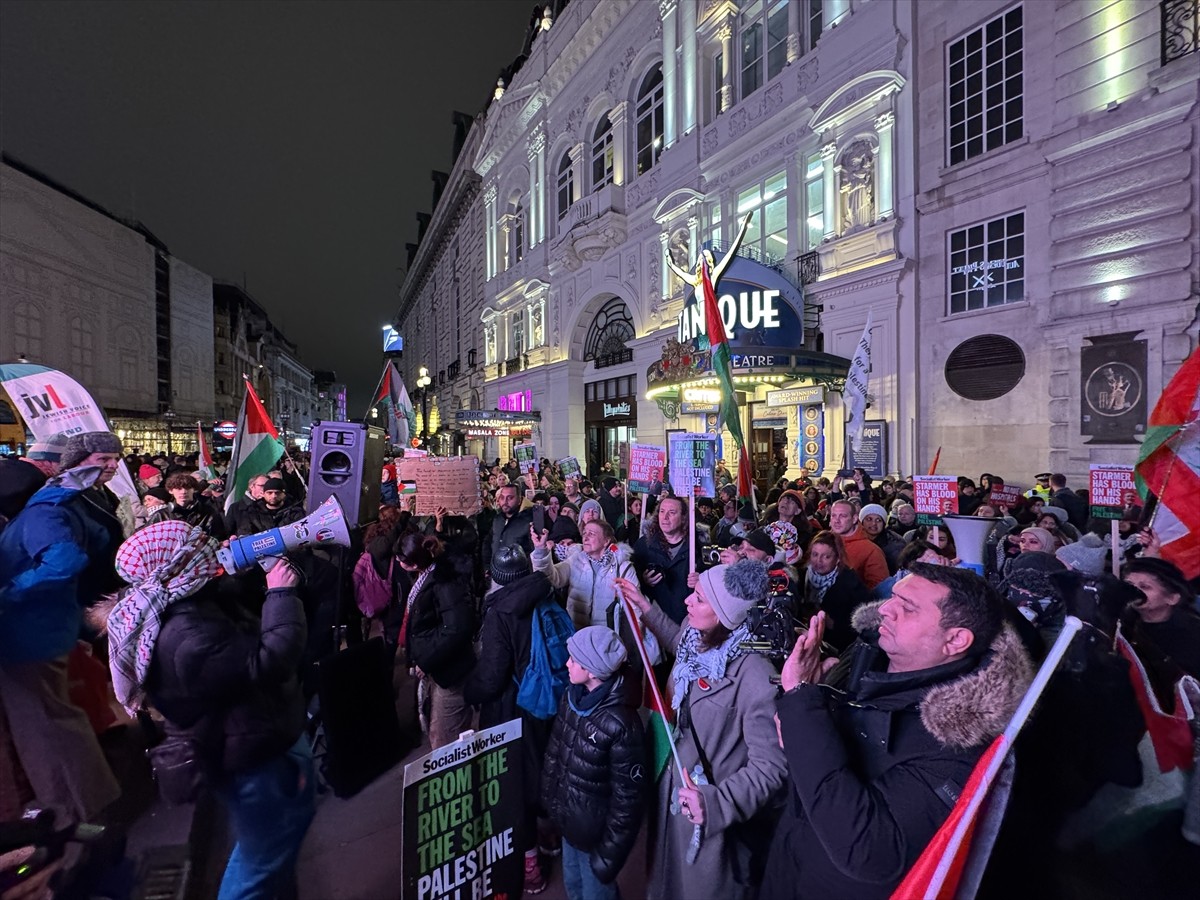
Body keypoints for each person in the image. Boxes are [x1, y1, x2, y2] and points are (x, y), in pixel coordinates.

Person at [761, 564, 1033, 899]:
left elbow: (867, 849)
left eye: (907, 607)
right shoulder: (867, 663)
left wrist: (801, 702)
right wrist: (808, 714)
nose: (885, 609)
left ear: (955, 639)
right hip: (791, 869)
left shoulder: (959, 739)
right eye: (893, 598)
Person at [110, 520, 314, 899]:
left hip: (253, 740)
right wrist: (282, 594)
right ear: (178, 565)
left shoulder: (179, 605)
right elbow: (268, 661)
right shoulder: (187, 636)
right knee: (260, 864)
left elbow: (231, 623)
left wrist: (249, 573)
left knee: (269, 854)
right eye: (198, 545)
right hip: (254, 757)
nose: (210, 545)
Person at [617, 560, 787, 900]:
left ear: (724, 614)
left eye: (699, 597)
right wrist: (643, 605)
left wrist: (716, 803)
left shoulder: (754, 675)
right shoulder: (696, 638)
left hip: (708, 815)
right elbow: (676, 638)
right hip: (673, 794)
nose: (687, 601)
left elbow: (771, 767)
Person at [0, 432, 126, 824]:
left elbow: (65, 560)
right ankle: (91, 801)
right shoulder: (62, 503)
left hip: (29, 635)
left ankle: (75, 814)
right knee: (56, 720)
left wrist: (9, 592)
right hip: (44, 629)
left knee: (45, 727)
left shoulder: (45, 511)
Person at [462, 546, 558, 894]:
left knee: (513, 788)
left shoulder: (500, 611)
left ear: (495, 577)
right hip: (545, 700)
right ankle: (552, 838)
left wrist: (470, 692)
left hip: (511, 708)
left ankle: (530, 866)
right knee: (543, 771)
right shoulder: (545, 591)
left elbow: (492, 675)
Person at [541, 626, 647, 900]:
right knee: (574, 888)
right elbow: (555, 753)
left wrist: (609, 854)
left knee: (596, 894)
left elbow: (628, 801)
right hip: (569, 824)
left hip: (597, 840)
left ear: (592, 671)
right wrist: (552, 803)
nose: (567, 664)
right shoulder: (571, 696)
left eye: (574, 660)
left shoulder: (623, 725)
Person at [398, 531, 475, 748]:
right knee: (439, 729)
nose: (398, 562)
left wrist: (427, 660)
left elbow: (457, 629)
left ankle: (457, 779)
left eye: (402, 560)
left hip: (451, 673)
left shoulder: (445, 582)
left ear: (414, 564)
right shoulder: (430, 576)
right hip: (440, 669)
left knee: (447, 740)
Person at [531, 519, 634, 631]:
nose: (585, 537)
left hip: (608, 640)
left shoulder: (622, 567)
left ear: (606, 540)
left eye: (592, 534)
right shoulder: (576, 560)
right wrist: (540, 550)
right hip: (577, 637)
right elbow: (551, 578)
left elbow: (635, 608)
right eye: (584, 533)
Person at [1122, 557, 1200, 699]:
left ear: (1172, 598)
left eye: (1145, 587)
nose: (1134, 591)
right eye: (1129, 584)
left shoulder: (1193, 634)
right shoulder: (1121, 627)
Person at [799, 531, 874, 653]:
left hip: (836, 648)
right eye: (815, 554)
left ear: (838, 559)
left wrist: (833, 624)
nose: (819, 561)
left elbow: (860, 626)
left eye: (826, 557)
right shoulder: (800, 576)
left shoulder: (851, 585)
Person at [631, 494, 700, 624]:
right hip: (654, 622)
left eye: (672, 512)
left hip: (687, 621)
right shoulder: (644, 545)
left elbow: (713, 586)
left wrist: (701, 580)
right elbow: (630, 581)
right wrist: (642, 579)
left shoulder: (697, 547)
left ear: (684, 517)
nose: (665, 517)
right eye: (662, 511)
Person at [827, 499, 889, 590]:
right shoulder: (822, 542)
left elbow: (880, 590)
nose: (837, 520)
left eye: (843, 516)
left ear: (854, 518)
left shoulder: (871, 550)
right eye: (833, 515)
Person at [483, 484, 534, 584]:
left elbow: (533, 552)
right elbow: (488, 543)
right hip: (495, 577)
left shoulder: (529, 521)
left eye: (510, 498)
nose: (505, 502)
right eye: (502, 497)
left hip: (518, 581)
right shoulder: (497, 519)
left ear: (519, 499)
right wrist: (487, 567)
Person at [164, 472, 227, 539]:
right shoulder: (161, 515)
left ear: (194, 489)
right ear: (170, 491)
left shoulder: (209, 512)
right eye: (179, 488)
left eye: (188, 488)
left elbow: (219, 536)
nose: (183, 492)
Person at [859, 502, 904, 574]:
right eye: (869, 519)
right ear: (861, 522)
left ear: (884, 524)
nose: (873, 523)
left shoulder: (895, 544)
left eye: (878, 520)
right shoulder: (855, 540)